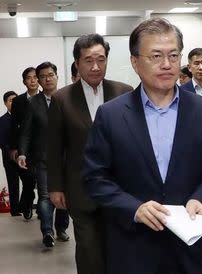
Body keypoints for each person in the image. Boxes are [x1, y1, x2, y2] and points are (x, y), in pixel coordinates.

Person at [82, 18, 202, 274]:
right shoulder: (111, 115)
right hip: (134, 247)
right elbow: (94, 177)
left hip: (193, 248)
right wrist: (134, 208)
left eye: (174, 56)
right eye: (156, 56)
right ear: (135, 62)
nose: (166, 64)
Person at [47, 34, 133, 274]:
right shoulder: (62, 99)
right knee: (89, 251)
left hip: (120, 188)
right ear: (77, 63)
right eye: (88, 60)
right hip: (80, 188)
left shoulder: (124, 93)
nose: (96, 66)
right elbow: (54, 148)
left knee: (119, 248)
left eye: (101, 59)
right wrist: (55, 187)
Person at [17, 62, 70, 248]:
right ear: (39, 80)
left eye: (51, 75)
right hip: (44, 158)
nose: (47, 79)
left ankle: (61, 228)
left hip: (66, 158)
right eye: (43, 76)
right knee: (46, 196)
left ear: (56, 76)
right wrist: (22, 153)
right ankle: (47, 232)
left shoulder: (67, 98)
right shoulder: (33, 104)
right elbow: (26, 132)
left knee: (65, 195)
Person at [9, 67, 39, 220]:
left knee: (43, 180)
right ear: (24, 81)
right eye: (29, 78)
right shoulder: (19, 101)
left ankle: (42, 208)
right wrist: (14, 148)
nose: (33, 80)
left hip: (42, 146)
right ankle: (28, 203)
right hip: (24, 148)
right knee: (28, 179)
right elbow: (13, 125)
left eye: (35, 77)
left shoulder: (46, 98)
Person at [0, 91, 20, 216]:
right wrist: (12, 152)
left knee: (32, 182)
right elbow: (1, 141)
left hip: (26, 156)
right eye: (11, 100)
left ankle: (28, 206)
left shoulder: (24, 117)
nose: (13, 103)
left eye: (15, 100)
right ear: (5, 103)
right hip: (9, 158)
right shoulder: (1, 120)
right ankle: (15, 210)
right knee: (13, 184)